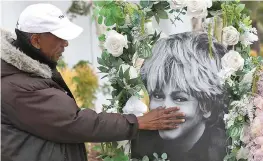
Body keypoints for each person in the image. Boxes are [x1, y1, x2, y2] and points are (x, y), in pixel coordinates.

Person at [1, 3, 186, 161]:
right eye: (59, 37)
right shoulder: (18, 86)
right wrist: (137, 123)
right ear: (36, 40)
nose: (66, 44)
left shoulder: (29, 71)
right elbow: (75, 123)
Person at [131, 32, 228, 161]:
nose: (165, 109)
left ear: (207, 106)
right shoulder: (137, 145)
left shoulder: (228, 151)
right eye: (158, 95)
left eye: (180, 98)